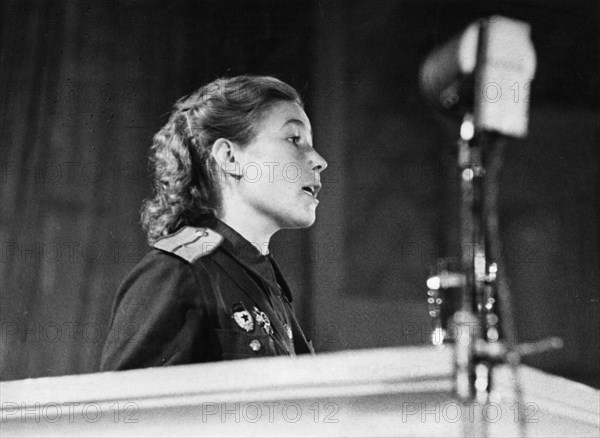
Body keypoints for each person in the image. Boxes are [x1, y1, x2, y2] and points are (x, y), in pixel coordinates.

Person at [99, 75, 327, 370]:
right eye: (294, 140)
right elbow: (127, 413)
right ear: (230, 157)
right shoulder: (178, 274)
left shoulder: (268, 287)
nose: (319, 160)